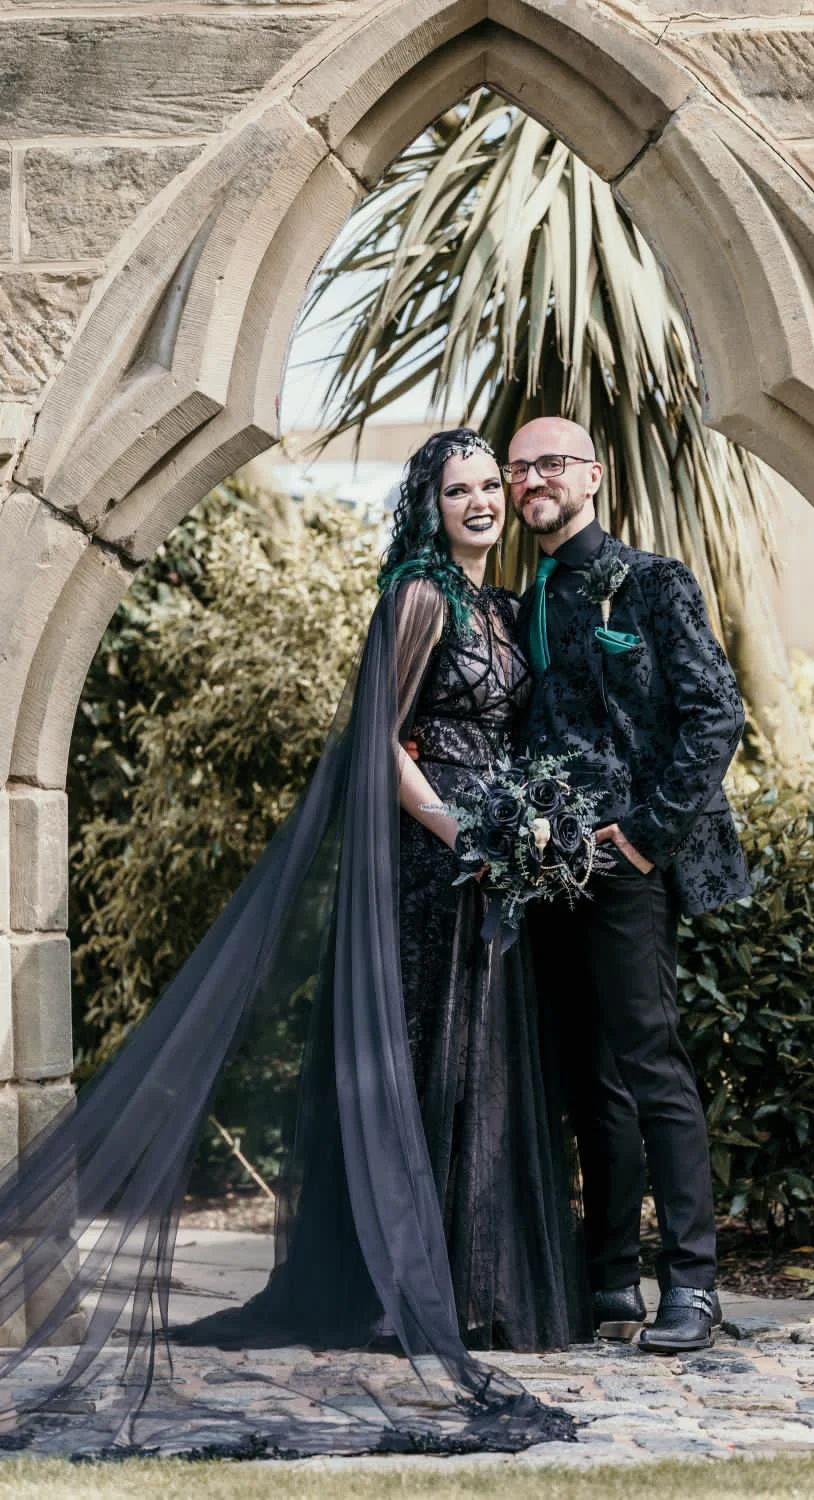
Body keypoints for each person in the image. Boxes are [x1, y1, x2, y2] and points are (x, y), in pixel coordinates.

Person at [0, 429, 580, 1459]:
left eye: (492, 485)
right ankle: (397, 1290)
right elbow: (381, 739)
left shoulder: (499, 606)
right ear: (433, 504)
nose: (483, 501)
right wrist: (462, 829)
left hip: (499, 869)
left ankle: (482, 1292)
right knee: (426, 1055)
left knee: (483, 1061)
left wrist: (528, 831)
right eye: (461, 489)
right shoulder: (420, 597)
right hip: (432, 865)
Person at [508, 415, 750, 1355]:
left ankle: (693, 1284)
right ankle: (610, 1279)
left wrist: (648, 838)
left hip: (630, 863)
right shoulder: (523, 599)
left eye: (551, 465)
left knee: (651, 1064)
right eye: (520, 467)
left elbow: (714, 714)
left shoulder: (651, 582)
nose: (533, 480)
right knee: (586, 1079)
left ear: (594, 478)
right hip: (546, 870)